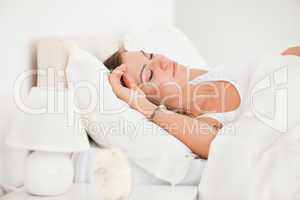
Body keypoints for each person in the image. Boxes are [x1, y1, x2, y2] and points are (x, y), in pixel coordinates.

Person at [105, 46, 300, 159]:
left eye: (151, 55)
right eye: (150, 74)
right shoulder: (204, 123)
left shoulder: (216, 72)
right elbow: (216, 144)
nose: (162, 60)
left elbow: (290, 55)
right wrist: (141, 104)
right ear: (150, 98)